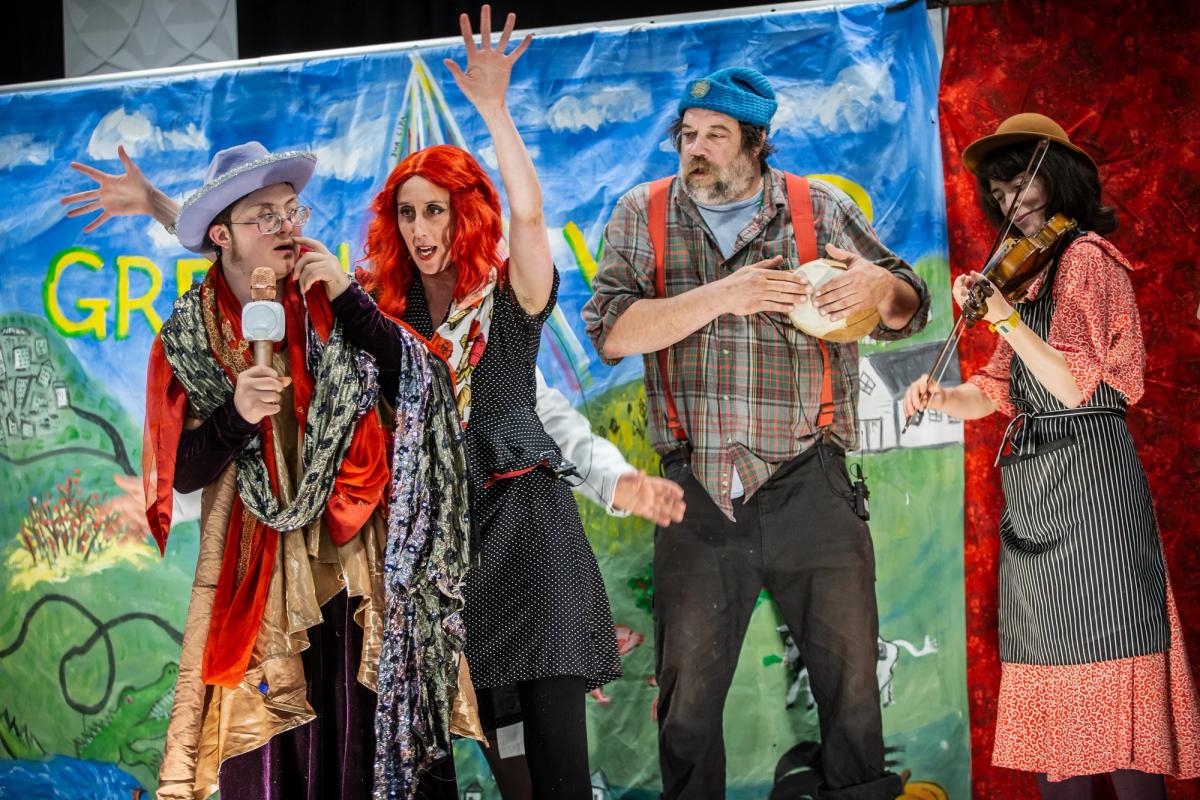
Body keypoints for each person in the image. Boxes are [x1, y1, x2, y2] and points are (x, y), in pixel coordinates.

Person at [293, 9, 651, 799]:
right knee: (496, 749)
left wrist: (494, 108)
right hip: (447, 550)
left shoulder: (508, 295)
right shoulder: (383, 311)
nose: (421, 227)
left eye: (436, 209)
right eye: (408, 211)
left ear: (466, 212)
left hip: (532, 530)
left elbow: (530, 215)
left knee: (557, 753)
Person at [581, 66, 929, 799]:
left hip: (812, 480)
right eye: (687, 134)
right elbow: (611, 333)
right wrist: (724, 295)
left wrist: (882, 287)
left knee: (852, 692)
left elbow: (909, 307)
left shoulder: (817, 208)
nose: (696, 148)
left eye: (716, 134)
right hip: (696, 488)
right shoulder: (642, 213)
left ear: (756, 142)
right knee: (687, 706)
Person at [903, 112, 1200, 799]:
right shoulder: (1027, 278)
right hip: (1036, 488)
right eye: (999, 191)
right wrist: (941, 397)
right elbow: (996, 389)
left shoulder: (1087, 257)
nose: (1010, 201)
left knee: (1114, 665)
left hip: (1093, 481)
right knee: (1050, 678)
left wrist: (1002, 316)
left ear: (1058, 178)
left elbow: (1070, 384)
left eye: (1022, 183)